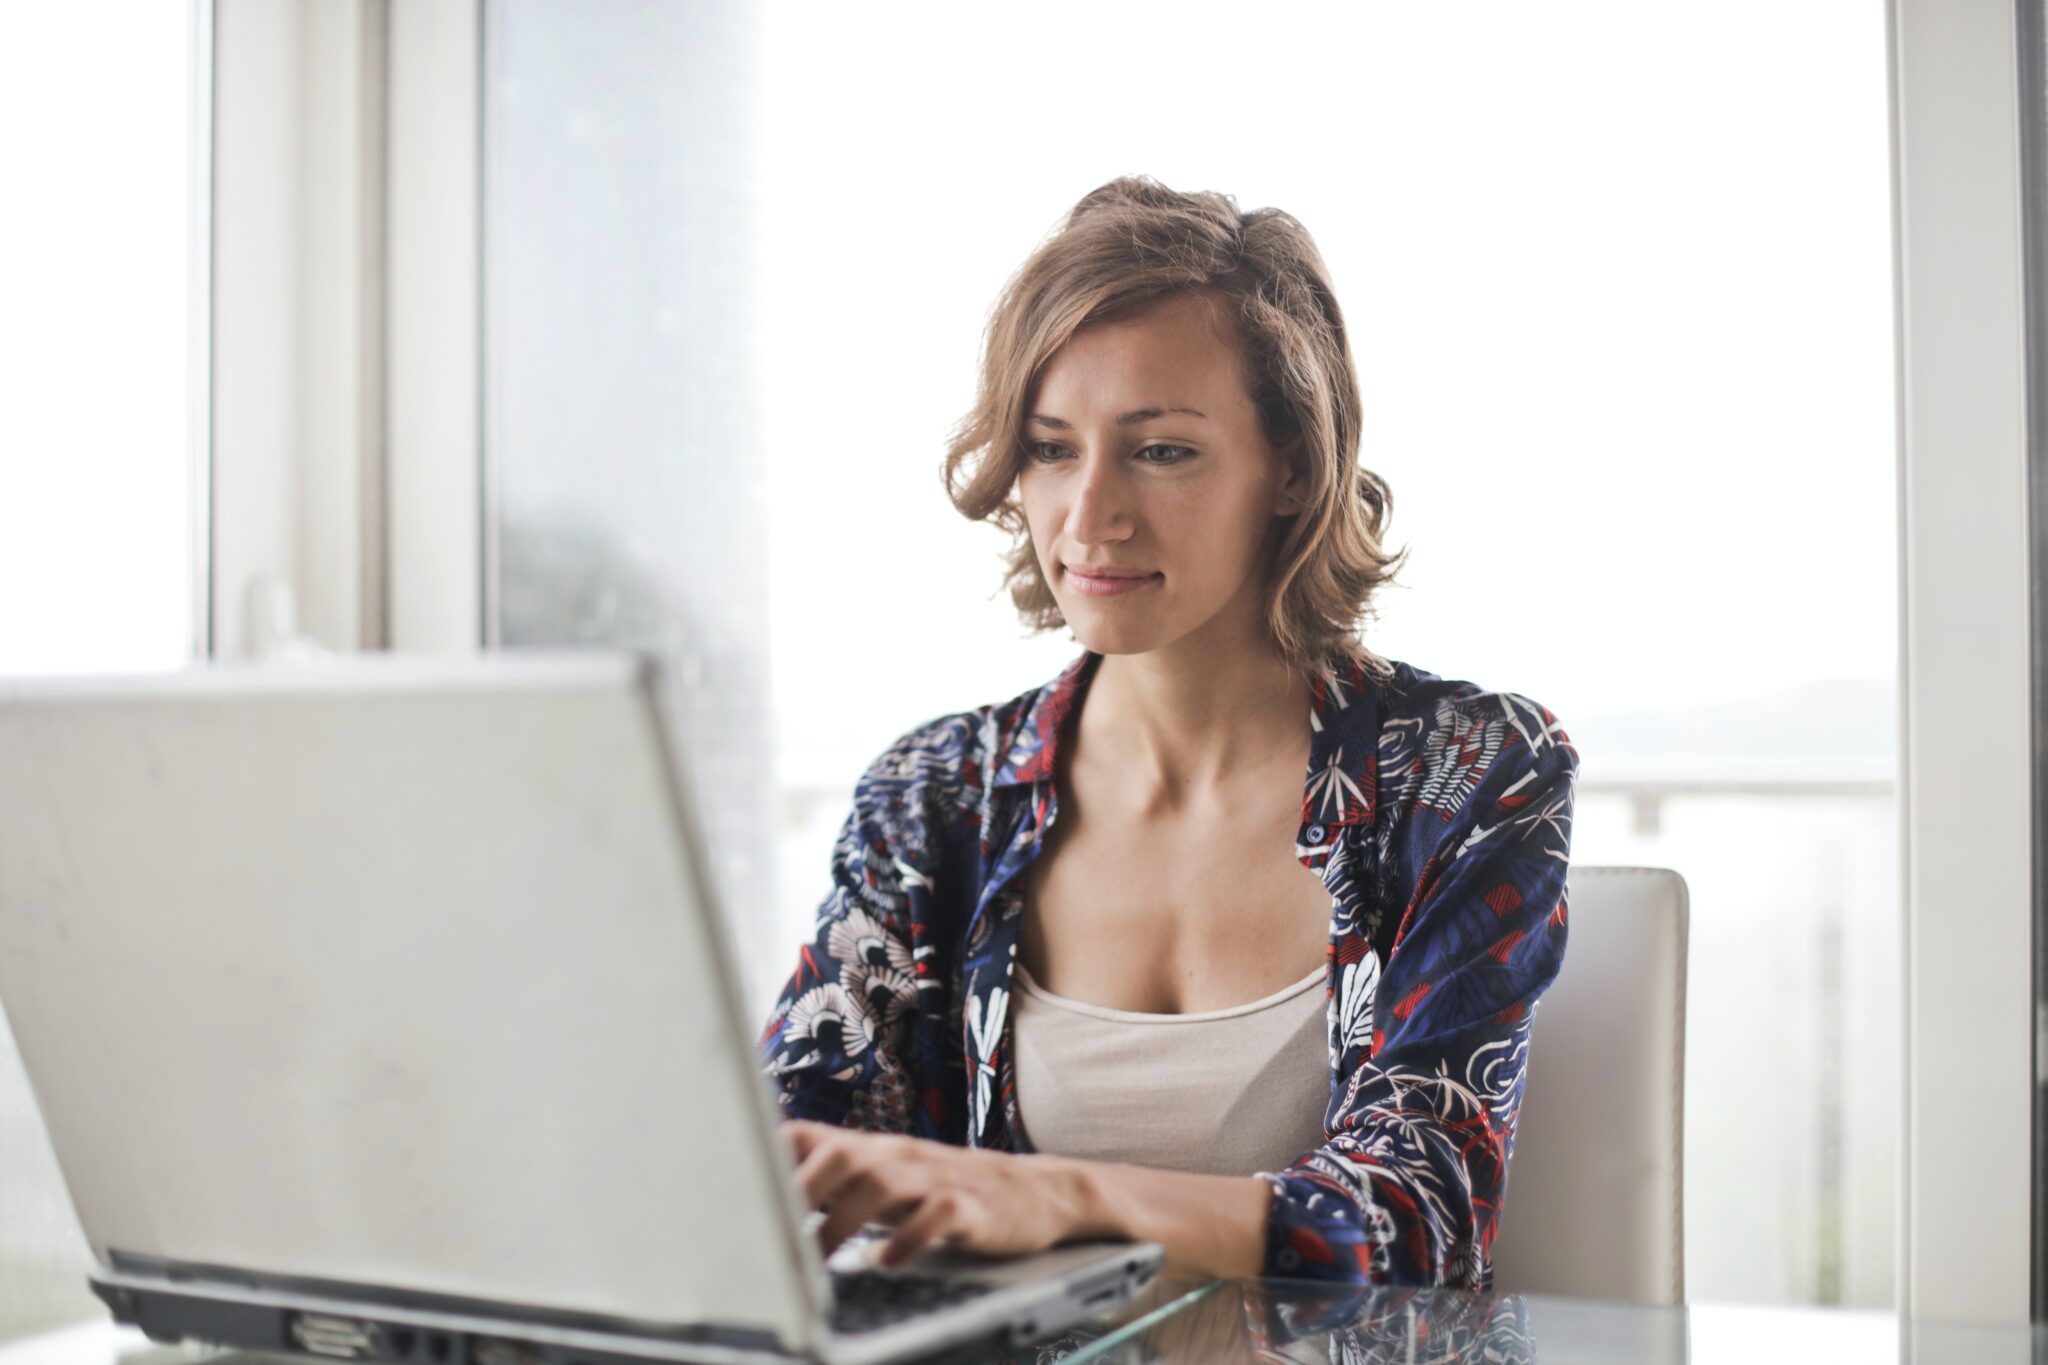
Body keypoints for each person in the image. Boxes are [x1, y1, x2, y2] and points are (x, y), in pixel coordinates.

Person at [758, 176, 1578, 1290]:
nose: (1088, 514)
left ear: (1291, 467)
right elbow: (782, 1162)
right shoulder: (937, 795)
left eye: (1160, 451)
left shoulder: (1466, 773)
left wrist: (1060, 1197)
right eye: (1050, 448)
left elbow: (1420, 1217)